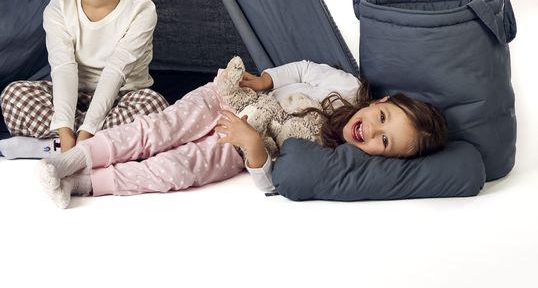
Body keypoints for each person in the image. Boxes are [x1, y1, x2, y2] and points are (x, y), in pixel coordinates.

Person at [36, 59, 448, 207]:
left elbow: (272, 183)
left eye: (384, 142)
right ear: (380, 101)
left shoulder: (335, 151)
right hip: (226, 98)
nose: (372, 132)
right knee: (158, 130)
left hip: (237, 146)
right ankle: (70, 159)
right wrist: (268, 80)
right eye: (383, 118)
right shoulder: (347, 88)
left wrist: (252, 146)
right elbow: (305, 69)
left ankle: (83, 185)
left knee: (176, 170)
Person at [0, 0, 168, 158]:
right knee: (14, 95)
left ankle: (52, 147)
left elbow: (116, 71)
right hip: (73, 93)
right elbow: (63, 67)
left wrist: (87, 131)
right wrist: (66, 128)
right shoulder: (60, 4)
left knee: (154, 108)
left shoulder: (141, 9)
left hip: (123, 95)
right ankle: (80, 145)